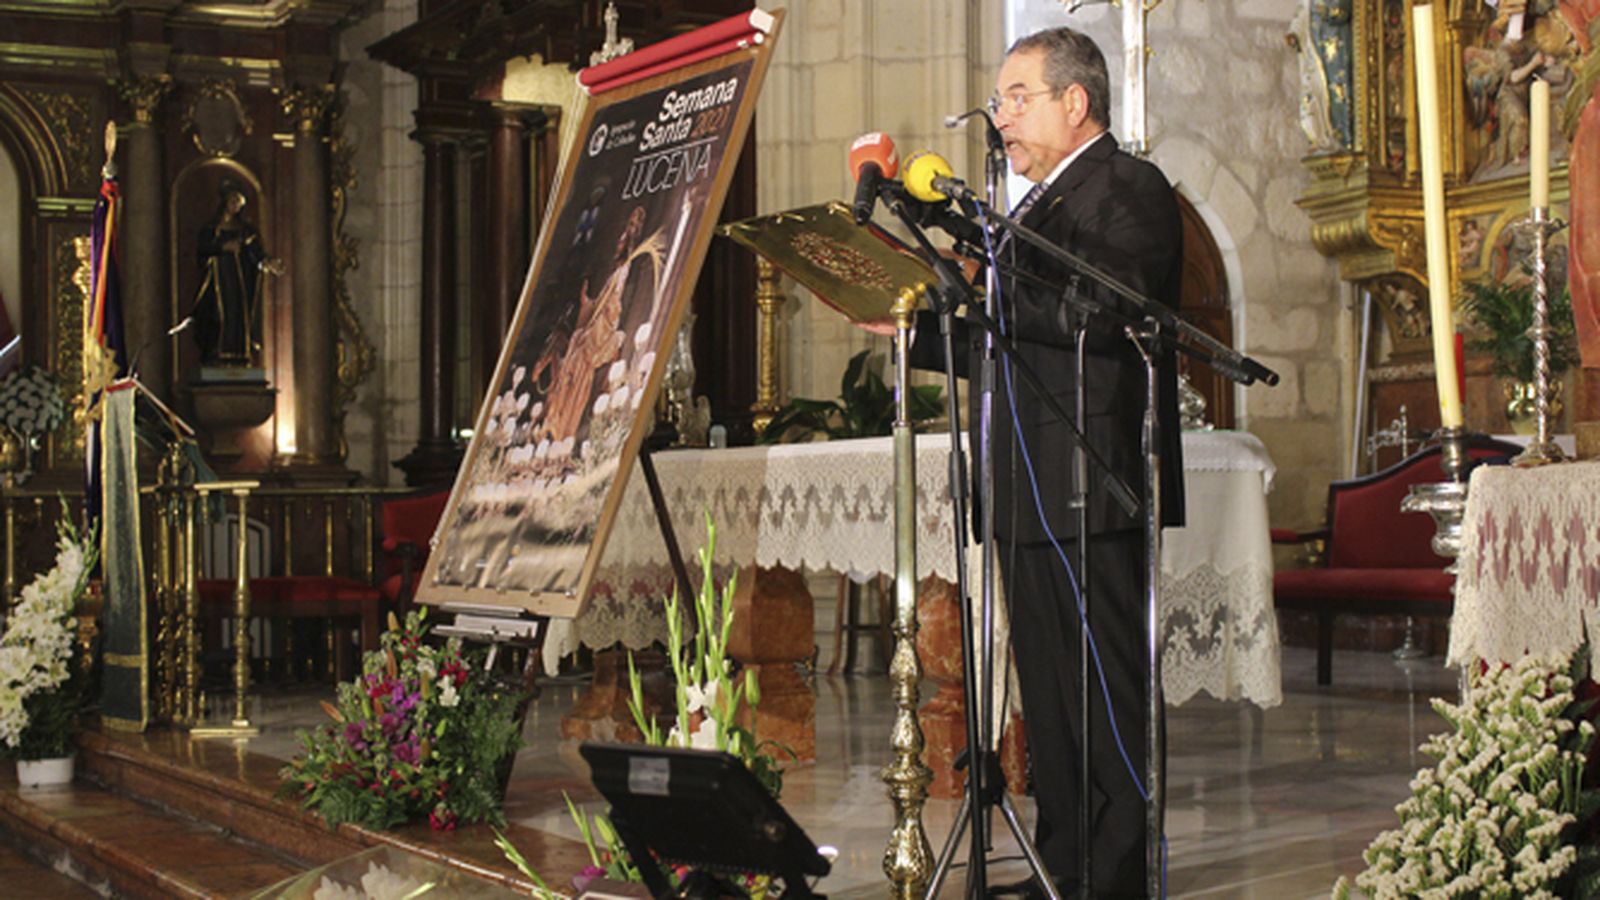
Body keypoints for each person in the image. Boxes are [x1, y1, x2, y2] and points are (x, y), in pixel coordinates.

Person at [979, 27, 1184, 898]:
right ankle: (1065, 862)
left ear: (1076, 102)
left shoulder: (1126, 185)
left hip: (1093, 474)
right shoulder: (1032, 210)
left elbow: (1110, 306)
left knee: (1106, 691)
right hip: (1029, 481)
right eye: (997, 102)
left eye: (1017, 98)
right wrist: (920, 316)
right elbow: (1003, 333)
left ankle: (1119, 874)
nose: (1001, 119)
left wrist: (994, 285)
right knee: (1052, 695)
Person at [191, 181, 278, 367]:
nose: (236, 206)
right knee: (217, 314)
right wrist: (223, 247)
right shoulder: (211, 229)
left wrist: (266, 263)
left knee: (238, 313)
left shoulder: (246, 230)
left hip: (239, 281)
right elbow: (202, 251)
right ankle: (214, 353)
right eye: (233, 201)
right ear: (224, 202)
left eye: (239, 203)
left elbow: (255, 253)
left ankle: (239, 354)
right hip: (217, 281)